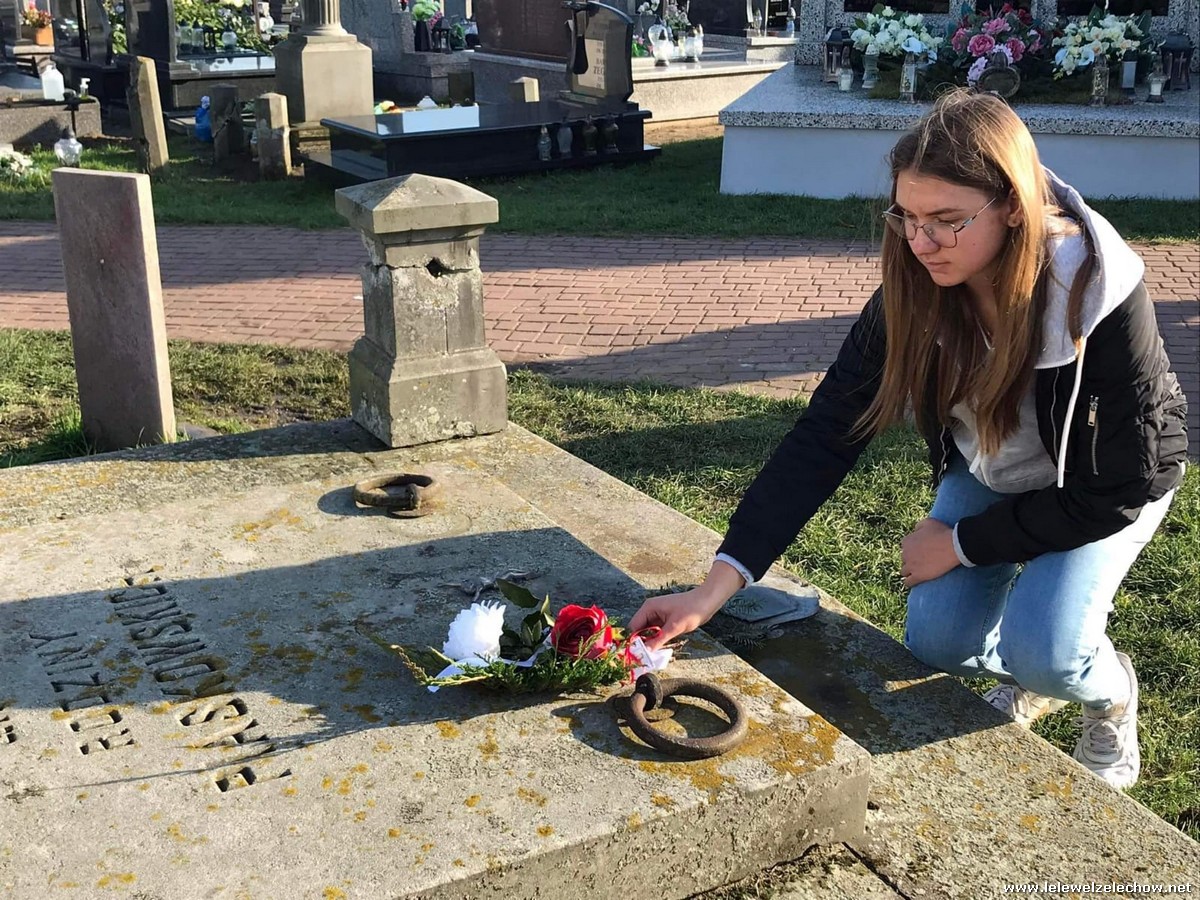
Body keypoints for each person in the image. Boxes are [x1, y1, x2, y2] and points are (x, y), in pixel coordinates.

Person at [627, 90, 1189, 790]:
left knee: (1048, 650)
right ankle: (1031, 671)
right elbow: (827, 432)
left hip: (1099, 485)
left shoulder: (1097, 290)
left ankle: (1108, 693)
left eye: (948, 221)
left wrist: (960, 543)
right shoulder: (915, 282)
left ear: (1014, 206)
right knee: (938, 642)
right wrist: (712, 590)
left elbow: (1121, 485)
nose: (921, 244)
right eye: (907, 217)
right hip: (995, 468)